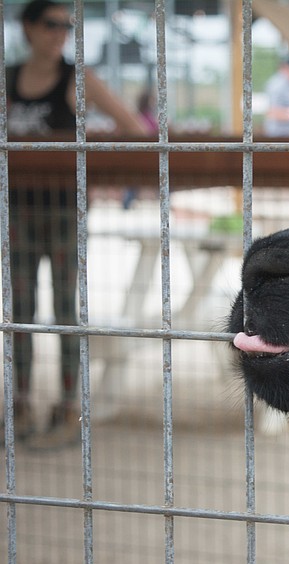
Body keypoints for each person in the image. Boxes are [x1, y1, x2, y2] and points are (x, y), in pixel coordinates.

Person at [5, 0, 147, 450]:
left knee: (66, 310)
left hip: (63, 208)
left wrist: (90, 154)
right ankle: (20, 406)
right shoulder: (8, 80)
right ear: (28, 28)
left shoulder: (77, 79)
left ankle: (68, 408)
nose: (59, 33)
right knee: (21, 311)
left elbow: (134, 127)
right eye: (50, 24)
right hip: (18, 211)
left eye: (67, 25)